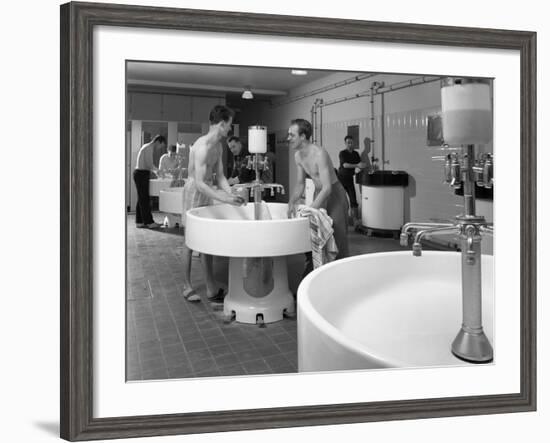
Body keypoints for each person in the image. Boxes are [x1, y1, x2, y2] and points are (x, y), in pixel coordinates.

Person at [181, 105, 246, 303]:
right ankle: (186, 285)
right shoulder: (202, 147)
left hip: (207, 188)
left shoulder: (218, 146)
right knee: (190, 240)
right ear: (221, 124)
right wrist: (224, 199)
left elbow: (220, 178)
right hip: (194, 190)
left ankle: (210, 287)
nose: (230, 128)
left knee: (205, 237)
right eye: (229, 124)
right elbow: (199, 183)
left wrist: (231, 193)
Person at [286, 119, 349, 276]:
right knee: (316, 233)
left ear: (303, 136)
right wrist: (292, 201)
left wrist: (310, 209)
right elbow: (300, 184)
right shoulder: (298, 156)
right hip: (318, 192)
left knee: (338, 235)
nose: (288, 138)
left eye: (291, 135)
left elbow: (327, 187)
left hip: (334, 194)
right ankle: (314, 271)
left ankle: (341, 276)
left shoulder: (319, 153)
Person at [133, 134, 166, 229]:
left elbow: (149, 165)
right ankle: (149, 222)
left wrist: (157, 172)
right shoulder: (148, 148)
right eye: (161, 145)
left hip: (141, 173)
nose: (160, 148)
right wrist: (159, 172)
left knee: (141, 199)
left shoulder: (147, 146)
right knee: (145, 199)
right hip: (141, 174)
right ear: (158, 141)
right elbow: (149, 164)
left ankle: (139, 222)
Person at [338, 135, 364, 226]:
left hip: (349, 179)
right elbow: (345, 165)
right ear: (345, 143)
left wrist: (361, 166)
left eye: (351, 142)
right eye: (348, 142)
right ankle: (341, 220)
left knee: (353, 200)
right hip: (341, 179)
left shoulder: (356, 154)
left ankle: (355, 221)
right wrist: (357, 165)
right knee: (341, 200)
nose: (350, 144)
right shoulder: (342, 153)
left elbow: (360, 164)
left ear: (353, 143)